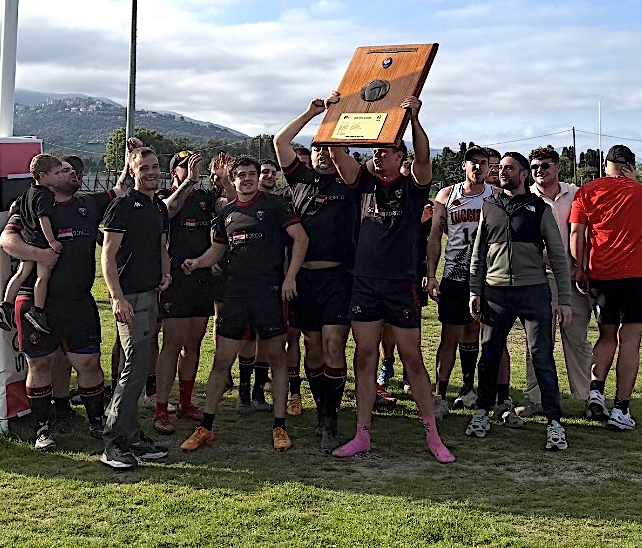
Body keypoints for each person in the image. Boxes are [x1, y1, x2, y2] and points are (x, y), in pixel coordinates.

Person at [330, 97, 455, 464]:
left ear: (401, 158)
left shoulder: (414, 187)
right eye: (376, 151)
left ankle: (432, 434)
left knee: (412, 358)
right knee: (364, 356)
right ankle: (362, 433)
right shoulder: (363, 183)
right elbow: (337, 155)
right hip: (365, 282)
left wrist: (415, 119)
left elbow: (425, 157)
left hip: (401, 283)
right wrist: (339, 113)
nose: (379, 156)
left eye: (387, 151)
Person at [179, 155, 308, 453]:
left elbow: (300, 239)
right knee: (222, 362)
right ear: (233, 179)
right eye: (242, 175)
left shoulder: (275, 205)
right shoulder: (227, 212)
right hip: (235, 295)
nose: (248, 179)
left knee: (276, 358)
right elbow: (216, 251)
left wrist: (290, 278)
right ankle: (206, 427)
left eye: (252, 174)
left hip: (270, 294)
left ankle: (279, 426)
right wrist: (197, 262)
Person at [0, 160, 117, 451]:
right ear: (49, 179)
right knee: (40, 364)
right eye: (64, 170)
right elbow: (6, 240)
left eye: (73, 171)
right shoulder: (30, 204)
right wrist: (40, 253)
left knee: (88, 362)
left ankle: (96, 421)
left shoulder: (88, 206)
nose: (72, 174)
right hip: (36, 300)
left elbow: (123, 189)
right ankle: (42, 429)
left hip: (79, 301)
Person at [466, 152, 570, 451]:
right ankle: (482, 413)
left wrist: (563, 298)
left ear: (523, 174)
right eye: (500, 168)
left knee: (542, 356)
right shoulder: (490, 206)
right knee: (489, 354)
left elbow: (559, 257)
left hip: (533, 291)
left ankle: (554, 423)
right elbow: (478, 254)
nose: (502, 172)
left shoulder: (539, 208)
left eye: (509, 168)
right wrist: (475, 291)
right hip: (495, 293)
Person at [274, 94, 362, 451]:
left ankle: (331, 419)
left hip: (338, 278)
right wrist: (312, 113)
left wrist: (336, 120)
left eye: (329, 148)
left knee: (333, 344)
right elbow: (279, 141)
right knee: (312, 347)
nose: (324, 153)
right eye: (317, 148)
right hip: (304, 279)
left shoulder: (350, 183)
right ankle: (320, 406)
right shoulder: (300, 179)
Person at [570, 144, 642, 431]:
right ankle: (621, 408)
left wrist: (580, 268)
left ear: (605, 164)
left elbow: (576, 233)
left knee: (606, 335)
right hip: (636, 276)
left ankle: (596, 389)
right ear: (631, 165)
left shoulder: (588, 191)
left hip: (601, 275)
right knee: (630, 340)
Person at [99, 146, 173, 469]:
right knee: (134, 367)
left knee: (142, 367)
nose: (151, 172)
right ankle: (113, 440)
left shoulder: (159, 207)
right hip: (130, 300)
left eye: (155, 166)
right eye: (144, 168)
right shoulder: (123, 206)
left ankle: (131, 435)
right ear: (133, 172)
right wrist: (117, 297)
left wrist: (166, 272)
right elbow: (108, 257)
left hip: (151, 295)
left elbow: (160, 247)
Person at [520, 145, 592, 417]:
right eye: (535, 167)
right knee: (538, 341)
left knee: (577, 339)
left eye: (545, 166)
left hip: (572, 275)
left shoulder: (575, 194)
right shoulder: (525, 196)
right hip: (539, 275)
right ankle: (535, 399)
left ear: (558, 167)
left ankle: (586, 399)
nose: (540, 171)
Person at [151, 151, 217, 435]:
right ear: (173, 171)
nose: (191, 169)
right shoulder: (165, 195)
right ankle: (162, 408)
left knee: (194, 344)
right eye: (184, 166)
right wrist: (187, 182)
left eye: (195, 166)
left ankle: (186, 403)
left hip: (201, 278)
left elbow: (229, 206)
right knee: (172, 344)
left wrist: (223, 179)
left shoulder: (205, 198)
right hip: (175, 279)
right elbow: (168, 210)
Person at [426, 145, 492, 417]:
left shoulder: (495, 196)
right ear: (464, 166)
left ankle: (467, 388)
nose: (477, 167)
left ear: (490, 168)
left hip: (486, 276)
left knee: (474, 331)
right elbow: (434, 237)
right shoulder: (447, 195)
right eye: (472, 162)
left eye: (482, 163)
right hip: (454, 274)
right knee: (449, 335)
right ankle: (440, 394)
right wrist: (430, 273)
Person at [0, 153, 69, 335]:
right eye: (57, 173)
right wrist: (51, 241)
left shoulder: (28, 192)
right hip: (41, 242)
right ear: (43, 176)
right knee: (42, 277)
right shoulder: (45, 195)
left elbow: (14, 207)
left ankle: (6, 304)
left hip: (27, 239)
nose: (60, 176)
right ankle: (38, 311)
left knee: (21, 273)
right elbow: (44, 218)